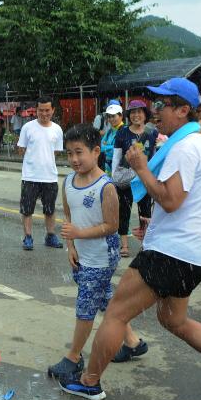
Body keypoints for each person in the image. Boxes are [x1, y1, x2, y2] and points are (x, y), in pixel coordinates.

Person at [60, 77, 201, 400]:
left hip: (171, 253)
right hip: (191, 255)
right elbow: (184, 203)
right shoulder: (198, 144)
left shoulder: (186, 147)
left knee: (116, 313)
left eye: (164, 104)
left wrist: (140, 167)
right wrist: (155, 222)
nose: (156, 110)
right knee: (173, 319)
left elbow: (171, 199)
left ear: (183, 110)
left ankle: (89, 380)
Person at [47, 124, 146, 380]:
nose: (74, 159)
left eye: (79, 152)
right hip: (81, 253)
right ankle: (133, 342)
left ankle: (74, 357)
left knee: (86, 305)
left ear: (96, 152)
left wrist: (79, 235)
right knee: (106, 299)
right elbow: (69, 217)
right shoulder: (68, 181)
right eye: (69, 153)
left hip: (102, 256)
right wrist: (71, 245)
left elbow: (111, 227)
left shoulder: (106, 186)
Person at [17, 96, 65, 250]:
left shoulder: (57, 129)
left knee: (50, 209)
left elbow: (56, 151)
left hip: (50, 176)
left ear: (53, 110)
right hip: (30, 175)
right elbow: (21, 149)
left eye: (47, 110)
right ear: (36, 110)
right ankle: (28, 237)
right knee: (27, 209)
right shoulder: (28, 128)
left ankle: (50, 236)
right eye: (41, 110)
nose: (44, 113)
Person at [111, 99, 157, 258]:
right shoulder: (122, 132)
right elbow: (117, 156)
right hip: (126, 179)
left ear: (145, 114)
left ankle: (145, 245)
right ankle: (124, 245)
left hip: (145, 179)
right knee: (124, 211)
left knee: (146, 213)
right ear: (128, 115)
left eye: (140, 112)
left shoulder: (152, 132)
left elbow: (154, 156)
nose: (136, 115)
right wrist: (114, 177)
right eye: (133, 112)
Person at [99, 103, 124, 175]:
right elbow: (101, 147)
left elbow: (121, 150)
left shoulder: (125, 131)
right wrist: (111, 147)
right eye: (109, 117)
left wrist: (107, 147)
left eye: (113, 116)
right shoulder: (109, 131)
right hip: (108, 168)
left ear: (121, 116)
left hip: (120, 167)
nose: (111, 119)